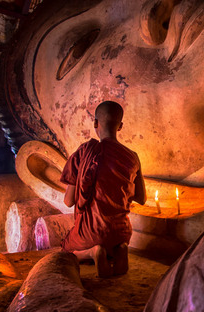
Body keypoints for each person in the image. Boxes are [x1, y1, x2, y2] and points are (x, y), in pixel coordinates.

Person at [60, 101, 146, 277]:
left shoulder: (84, 153)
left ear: (95, 124)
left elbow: (68, 202)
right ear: (120, 126)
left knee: (65, 251)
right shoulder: (132, 157)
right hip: (120, 232)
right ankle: (119, 249)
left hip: (90, 232)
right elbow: (142, 198)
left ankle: (92, 252)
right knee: (113, 242)